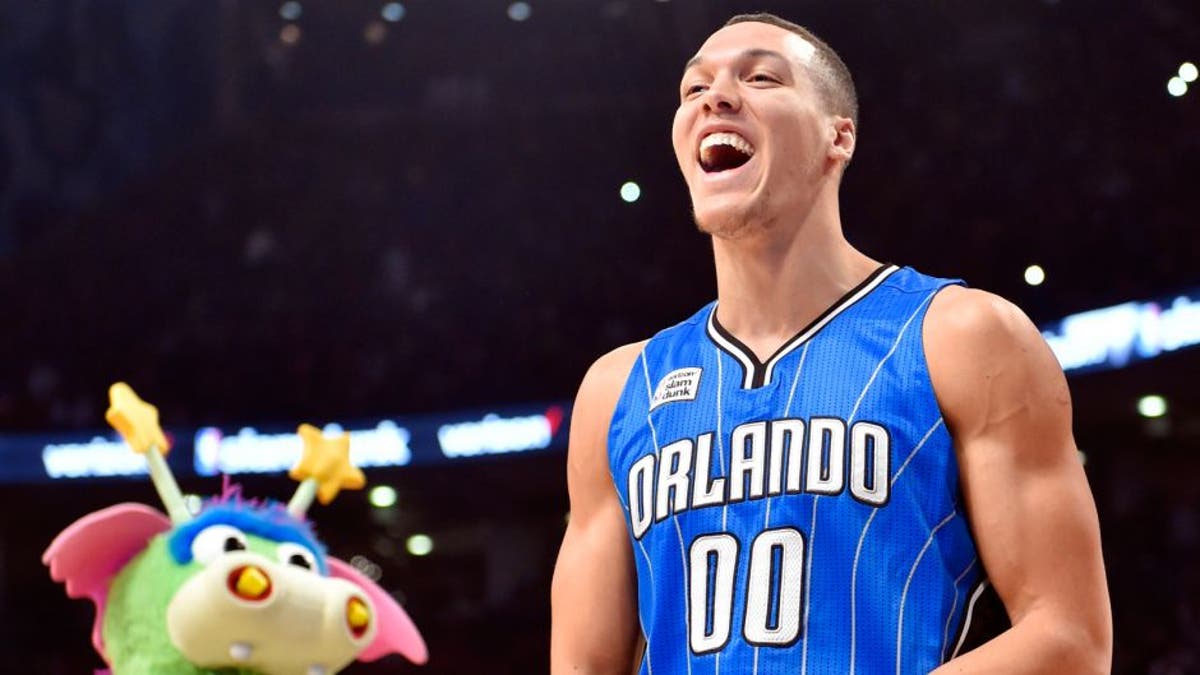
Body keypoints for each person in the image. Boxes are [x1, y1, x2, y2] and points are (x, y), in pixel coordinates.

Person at [550, 12, 1112, 675]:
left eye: (760, 77)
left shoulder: (961, 337)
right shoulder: (618, 389)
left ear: (837, 136)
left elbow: (1069, 637)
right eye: (692, 89)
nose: (715, 97)